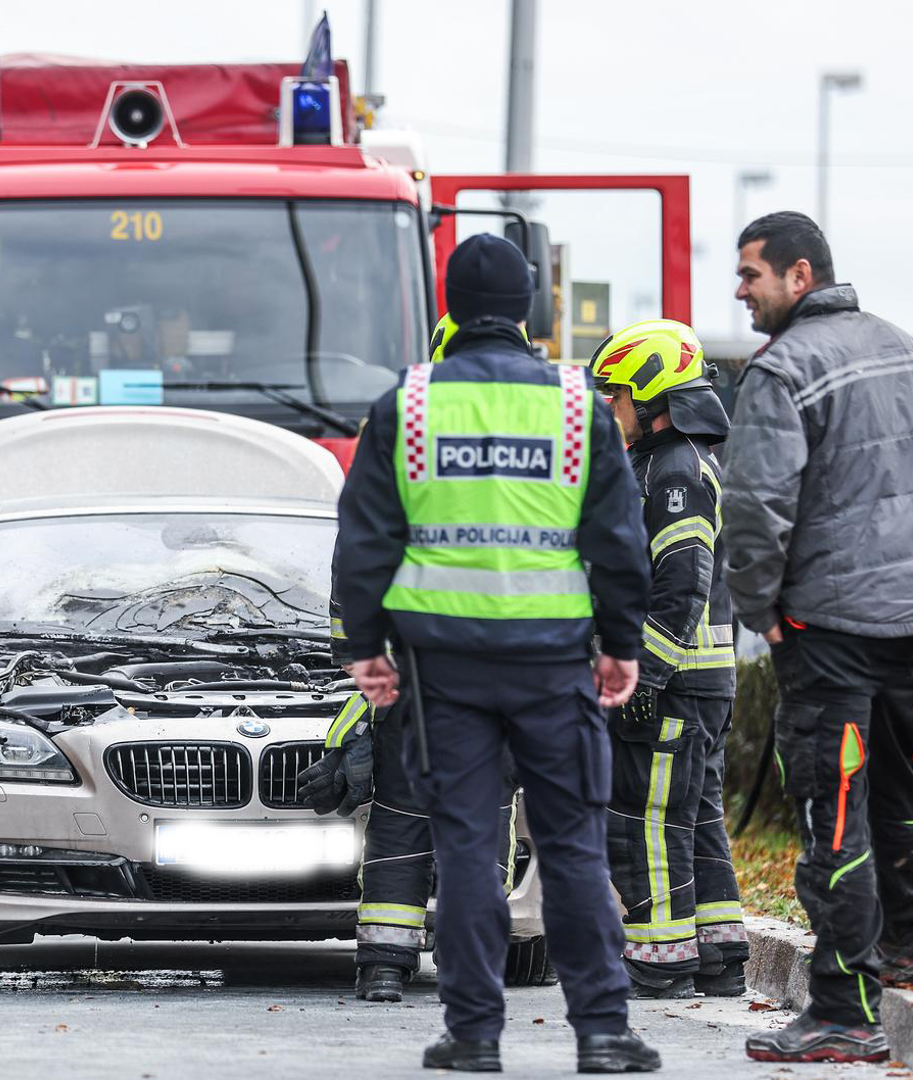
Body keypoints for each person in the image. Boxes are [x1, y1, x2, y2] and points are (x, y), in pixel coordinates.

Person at [336, 233, 660, 1073]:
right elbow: (620, 541)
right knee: (573, 850)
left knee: (468, 852)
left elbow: (365, 540)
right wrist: (621, 645)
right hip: (553, 666)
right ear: (530, 311)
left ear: (447, 304)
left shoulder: (406, 406)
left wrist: (362, 648)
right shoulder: (575, 405)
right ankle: (602, 1034)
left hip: (441, 671)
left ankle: (474, 1034)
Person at [722, 212, 913, 1063]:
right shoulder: (907, 350)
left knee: (831, 812)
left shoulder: (782, 369)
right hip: (912, 620)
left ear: (800, 276)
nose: (740, 290)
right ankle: (907, 949)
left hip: (824, 624)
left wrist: (757, 604)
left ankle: (842, 1008)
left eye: (750, 274)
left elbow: (757, 507)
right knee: (901, 789)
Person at [301, 314, 521, 1005]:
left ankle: (383, 965)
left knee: (401, 808)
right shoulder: (532, 431)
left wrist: (357, 652)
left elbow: (357, 553)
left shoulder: (395, 426)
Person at [588, 319, 747, 1000]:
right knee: (697, 816)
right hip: (699, 682)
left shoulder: (674, 471)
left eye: (616, 396)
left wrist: (642, 678)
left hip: (673, 682)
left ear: (653, 397)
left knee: (647, 819)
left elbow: (681, 585)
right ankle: (719, 955)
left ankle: (660, 961)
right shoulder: (678, 460)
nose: (609, 410)